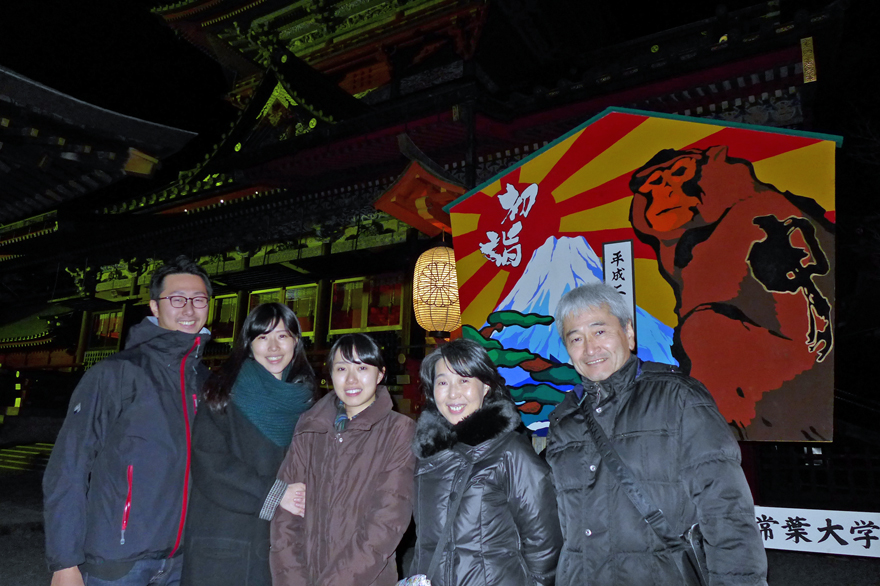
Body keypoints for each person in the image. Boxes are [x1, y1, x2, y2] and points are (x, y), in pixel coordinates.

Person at [546, 282, 768, 585]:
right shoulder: (564, 417)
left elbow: (726, 509)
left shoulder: (679, 397)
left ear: (629, 333)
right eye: (575, 338)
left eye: (600, 332)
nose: (589, 349)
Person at [43, 256, 213, 586]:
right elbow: (69, 465)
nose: (189, 309)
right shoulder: (116, 374)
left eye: (199, 300)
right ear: (154, 306)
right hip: (119, 561)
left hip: (182, 561)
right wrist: (64, 561)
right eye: (177, 299)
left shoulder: (205, 383)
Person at [181, 303, 317, 586]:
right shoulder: (223, 393)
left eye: (282, 336)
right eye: (262, 337)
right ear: (249, 344)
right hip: (223, 541)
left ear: (295, 341)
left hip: (280, 545)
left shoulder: (307, 404)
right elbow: (211, 464)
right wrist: (276, 493)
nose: (273, 347)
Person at [409, 338, 562, 586]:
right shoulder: (428, 454)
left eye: (464, 380)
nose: (452, 393)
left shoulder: (510, 451)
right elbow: (423, 544)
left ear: (486, 387)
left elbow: (545, 544)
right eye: (443, 382)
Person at [270, 333, 416, 586]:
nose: (351, 379)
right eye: (341, 368)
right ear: (330, 375)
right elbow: (285, 516)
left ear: (380, 374)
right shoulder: (310, 426)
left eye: (362, 368)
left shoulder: (399, 431)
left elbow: (386, 523)